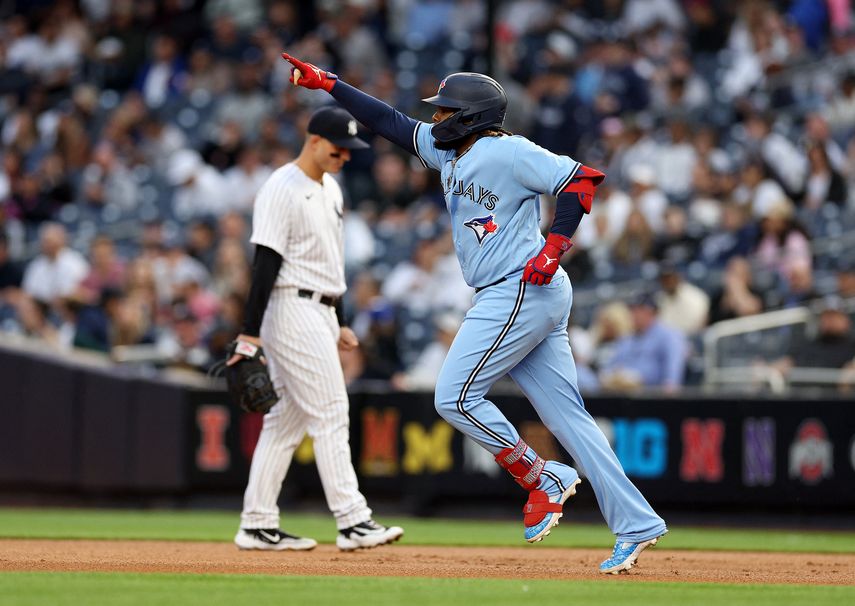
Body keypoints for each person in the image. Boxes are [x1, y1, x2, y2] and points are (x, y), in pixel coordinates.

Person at [280, 53, 667, 573]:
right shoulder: (449, 155)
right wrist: (330, 84)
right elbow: (389, 122)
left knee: (453, 397)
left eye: (444, 111)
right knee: (568, 418)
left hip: (520, 288)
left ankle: (541, 478)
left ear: (470, 116)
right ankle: (636, 522)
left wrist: (553, 248)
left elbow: (580, 180)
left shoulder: (506, 152)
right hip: (519, 293)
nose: (435, 118)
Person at [227, 106, 404, 552]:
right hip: (290, 305)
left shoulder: (332, 189)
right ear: (312, 141)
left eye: (348, 151)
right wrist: (249, 332)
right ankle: (352, 519)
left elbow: (330, 259)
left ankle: (257, 523)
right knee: (331, 411)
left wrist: (341, 320)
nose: (344, 156)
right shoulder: (280, 188)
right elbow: (265, 263)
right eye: (337, 148)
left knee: (285, 421)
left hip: (321, 307)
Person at [600, 293, 688, 393]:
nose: (634, 314)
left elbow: (672, 379)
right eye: (633, 310)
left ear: (652, 312)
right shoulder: (627, 338)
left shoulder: (669, 336)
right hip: (621, 395)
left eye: (639, 310)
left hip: (651, 396)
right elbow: (609, 368)